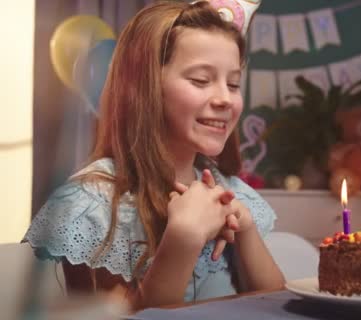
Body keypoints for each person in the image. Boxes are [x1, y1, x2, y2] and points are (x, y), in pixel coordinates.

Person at [23, 0, 284, 310]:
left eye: (234, 83)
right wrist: (183, 239)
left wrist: (247, 231)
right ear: (144, 86)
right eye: (201, 80)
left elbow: (275, 304)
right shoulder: (93, 205)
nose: (225, 98)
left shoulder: (234, 194)